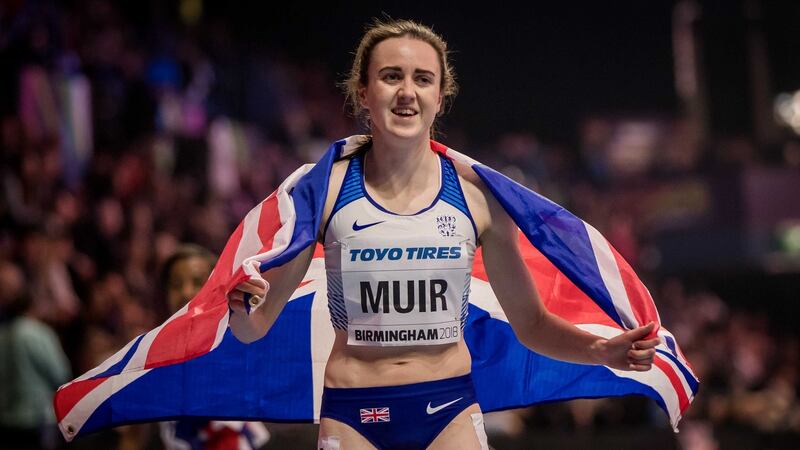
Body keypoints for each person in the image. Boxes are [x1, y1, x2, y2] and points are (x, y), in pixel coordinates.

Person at [226, 19, 660, 450]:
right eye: (391, 76)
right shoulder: (325, 191)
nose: (407, 92)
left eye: (423, 79)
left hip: (448, 411)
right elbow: (255, 326)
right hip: (354, 414)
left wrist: (603, 352)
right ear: (363, 92)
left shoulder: (477, 197)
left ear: (440, 96)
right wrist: (244, 309)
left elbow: (530, 323)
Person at [159, 244, 270, 450]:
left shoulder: (239, 343)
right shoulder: (155, 355)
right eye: (176, 284)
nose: (186, 292)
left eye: (198, 282)